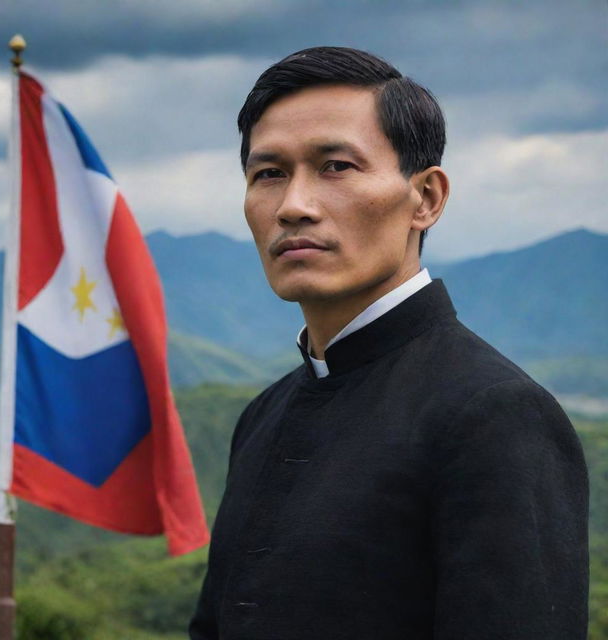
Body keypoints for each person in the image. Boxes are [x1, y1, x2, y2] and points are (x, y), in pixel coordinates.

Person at [189, 46, 588, 639]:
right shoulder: (263, 416)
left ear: (425, 198)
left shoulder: (493, 413)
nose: (294, 206)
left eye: (336, 167)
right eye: (268, 174)